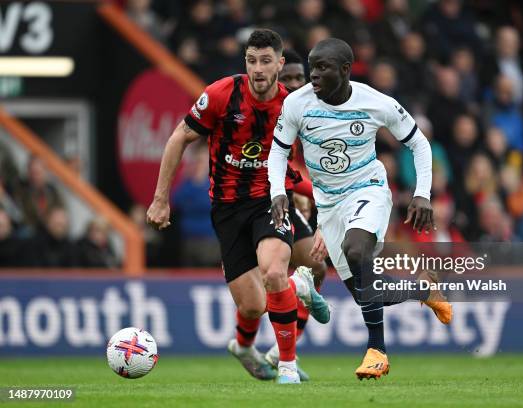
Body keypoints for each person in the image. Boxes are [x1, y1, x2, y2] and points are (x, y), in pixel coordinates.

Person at [146, 29, 330, 385]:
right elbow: (178, 137)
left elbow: (316, 160)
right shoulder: (221, 94)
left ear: (279, 63)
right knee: (252, 305)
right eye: (251, 61)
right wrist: (160, 198)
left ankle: (287, 366)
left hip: (269, 200)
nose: (258, 69)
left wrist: (321, 201)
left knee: (275, 272)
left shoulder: (293, 106)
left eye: (265, 61)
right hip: (227, 209)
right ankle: (249, 342)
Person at [268, 38, 452, 380]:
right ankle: (424, 290)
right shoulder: (297, 103)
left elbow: (418, 143)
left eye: (323, 69)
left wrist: (422, 193)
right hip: (329, 204)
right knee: (366, 291)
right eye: (312, 68)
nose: (314, 76)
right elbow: (278, 151)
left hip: (367, 190)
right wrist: (277, 192)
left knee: (356, 250)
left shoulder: (375, 102)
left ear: (345, 70)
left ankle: (377, 351)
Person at [263, 48, 328, 381]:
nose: (292, 83)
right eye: (285, 78)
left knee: (316, 267)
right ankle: (279, 351)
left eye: (297, 78)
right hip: (264, 201)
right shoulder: (274, 110)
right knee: (264, 289)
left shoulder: (315, 111)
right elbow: (280, 163)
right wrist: (311, 193)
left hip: (292, 197)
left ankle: (282, 352)